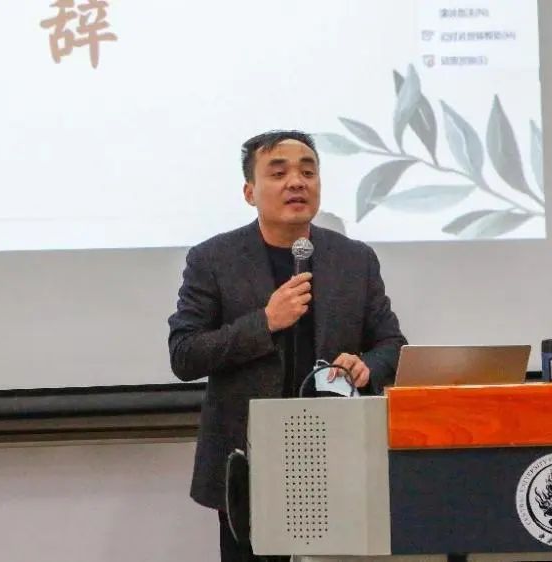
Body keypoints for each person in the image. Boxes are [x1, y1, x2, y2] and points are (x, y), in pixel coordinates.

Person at [167, 130, 406, 562]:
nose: (297, 182)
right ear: (249, 192)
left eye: (308, 172)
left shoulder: (355, 259)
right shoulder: (213, 260)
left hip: (338, 457)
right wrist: (265, 322)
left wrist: (367, 366)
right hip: (251, 461)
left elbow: (391, 343)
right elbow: (185, 353)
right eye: (278, 173)